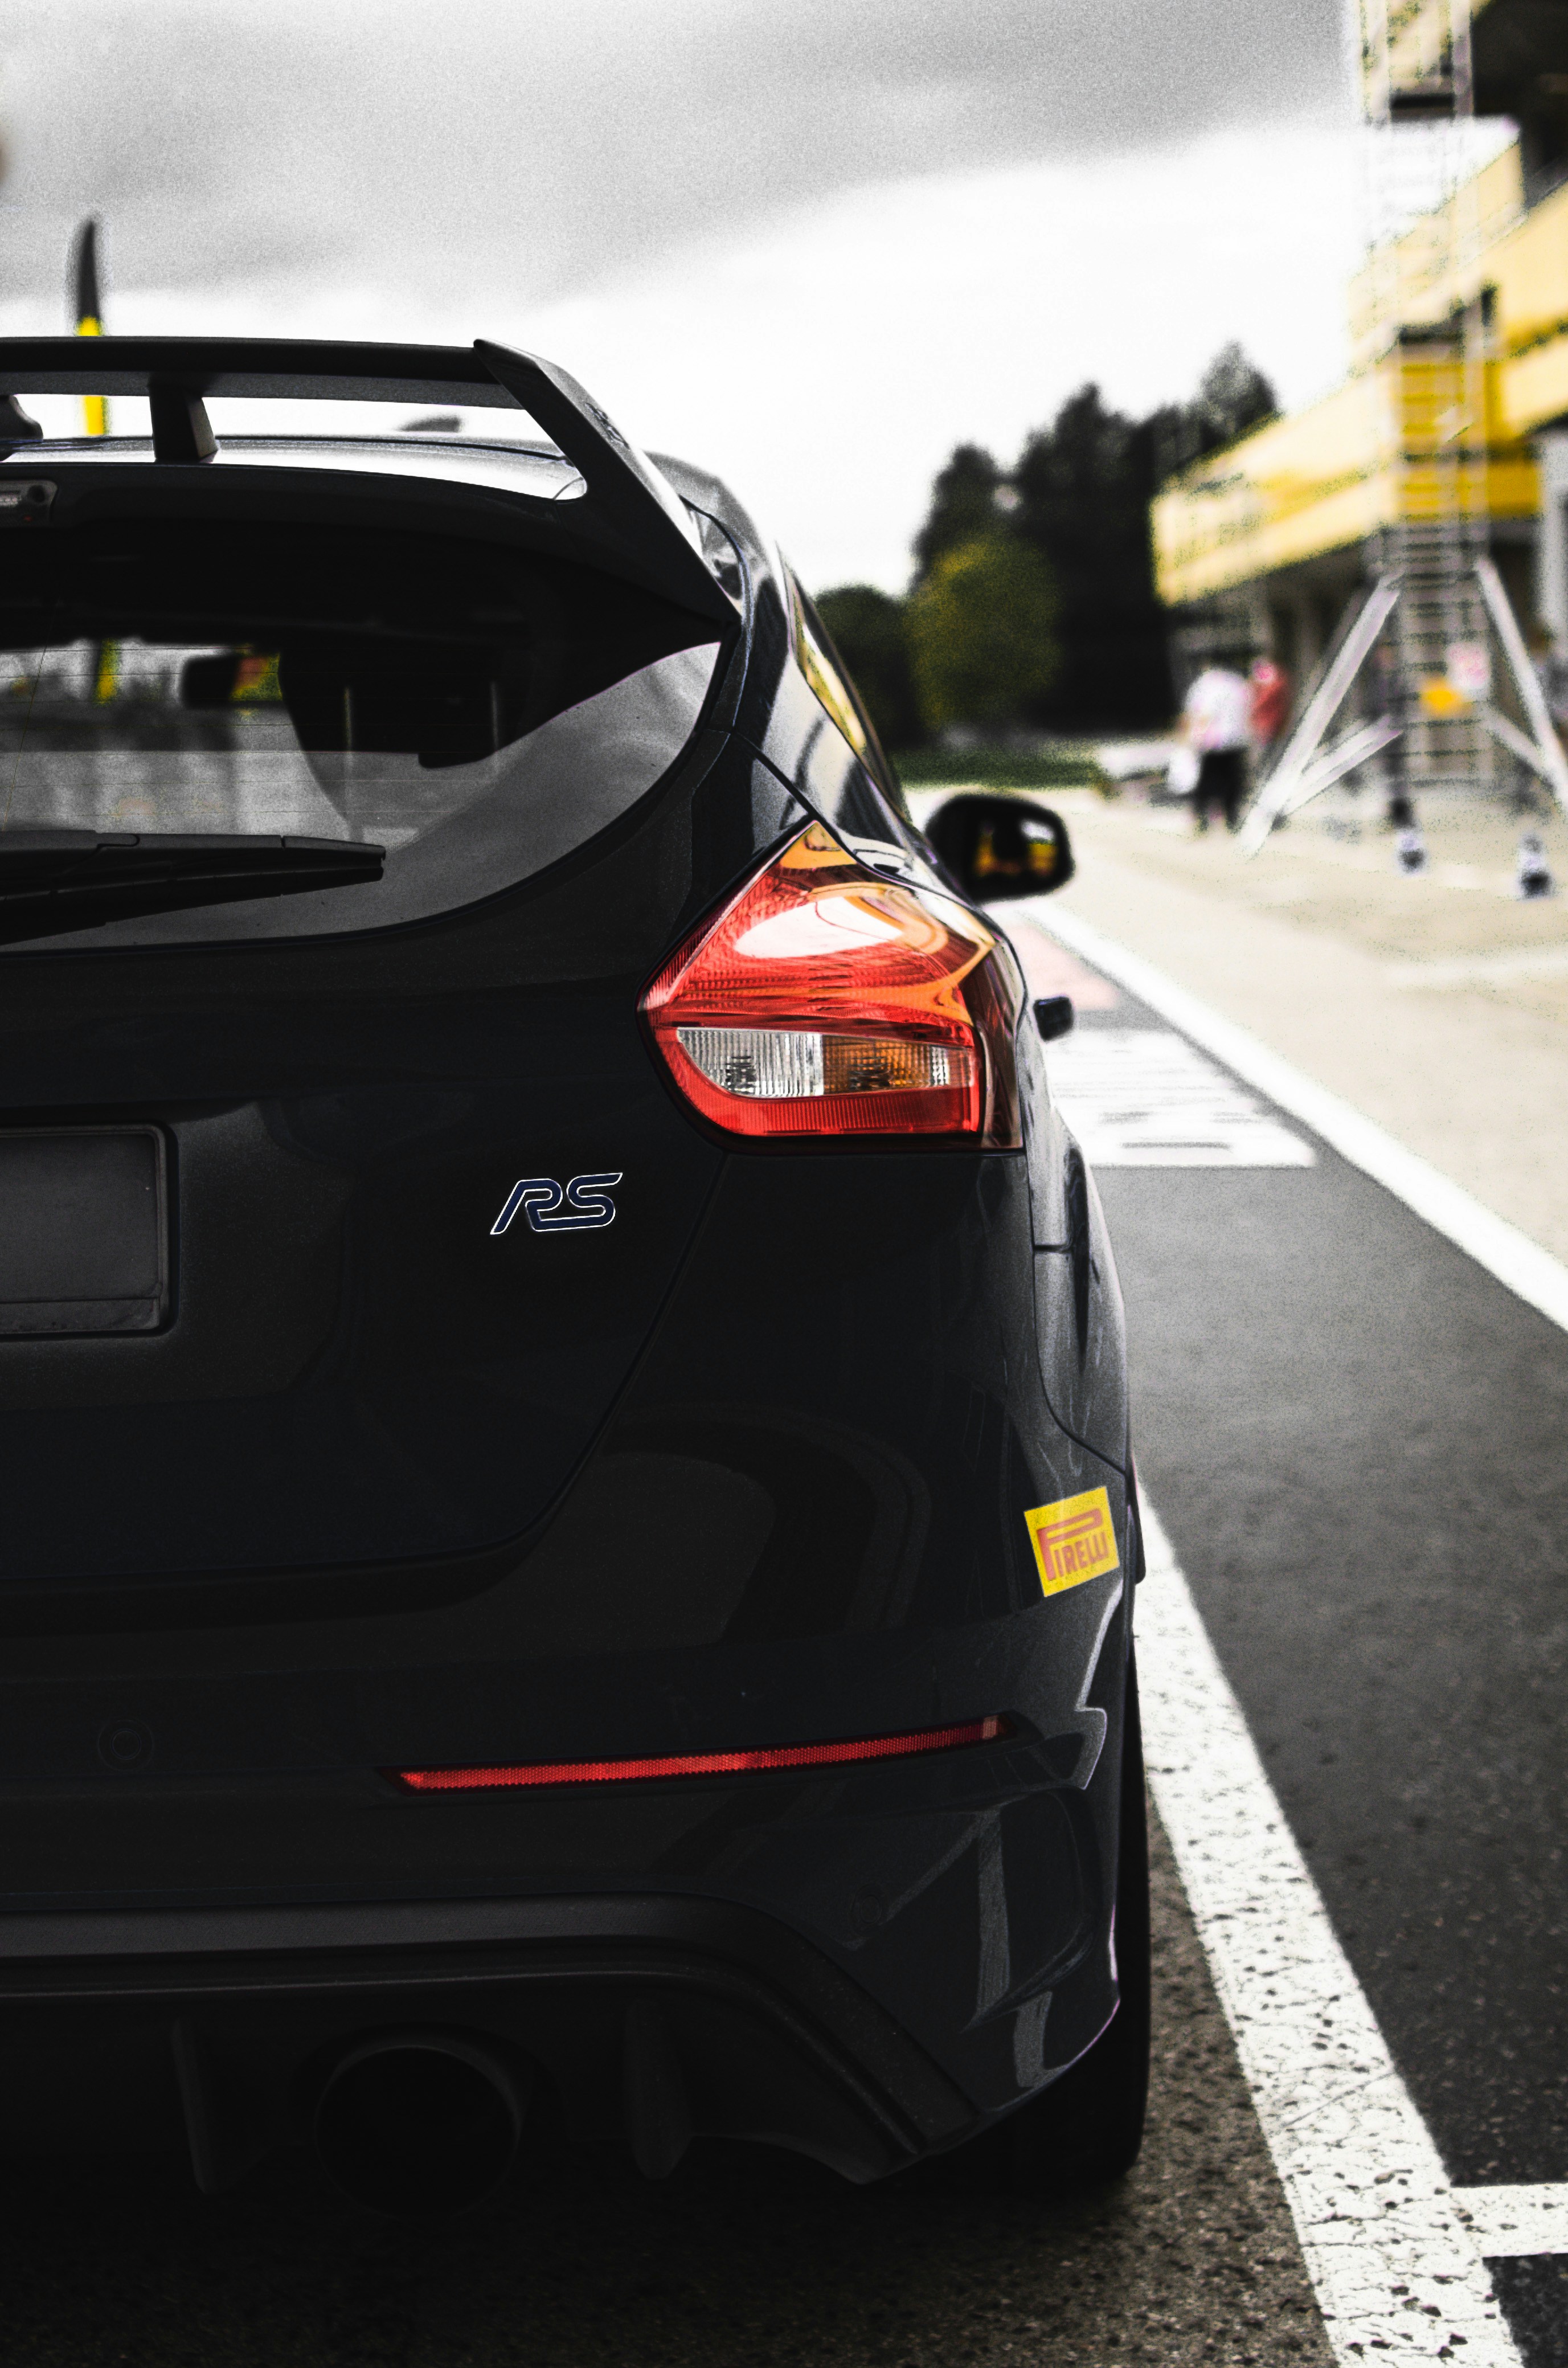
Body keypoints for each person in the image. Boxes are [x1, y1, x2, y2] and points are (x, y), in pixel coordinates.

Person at [1182, 660, 1252, 831]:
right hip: (1236, 739)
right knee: (1233, 780)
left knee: (1207, 781)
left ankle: (1201, 819)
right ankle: (1232, 819)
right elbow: (1248, 707)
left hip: (1212, 741)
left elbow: (1202, 713)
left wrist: (1193, 737)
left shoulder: (1205, 685)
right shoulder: (1237, 683)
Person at [1248, 656, 1291, 750]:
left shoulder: (1274, 684)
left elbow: (1266, 698)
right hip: (1269, 725)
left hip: (1274, 723)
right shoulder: (1261, 685)